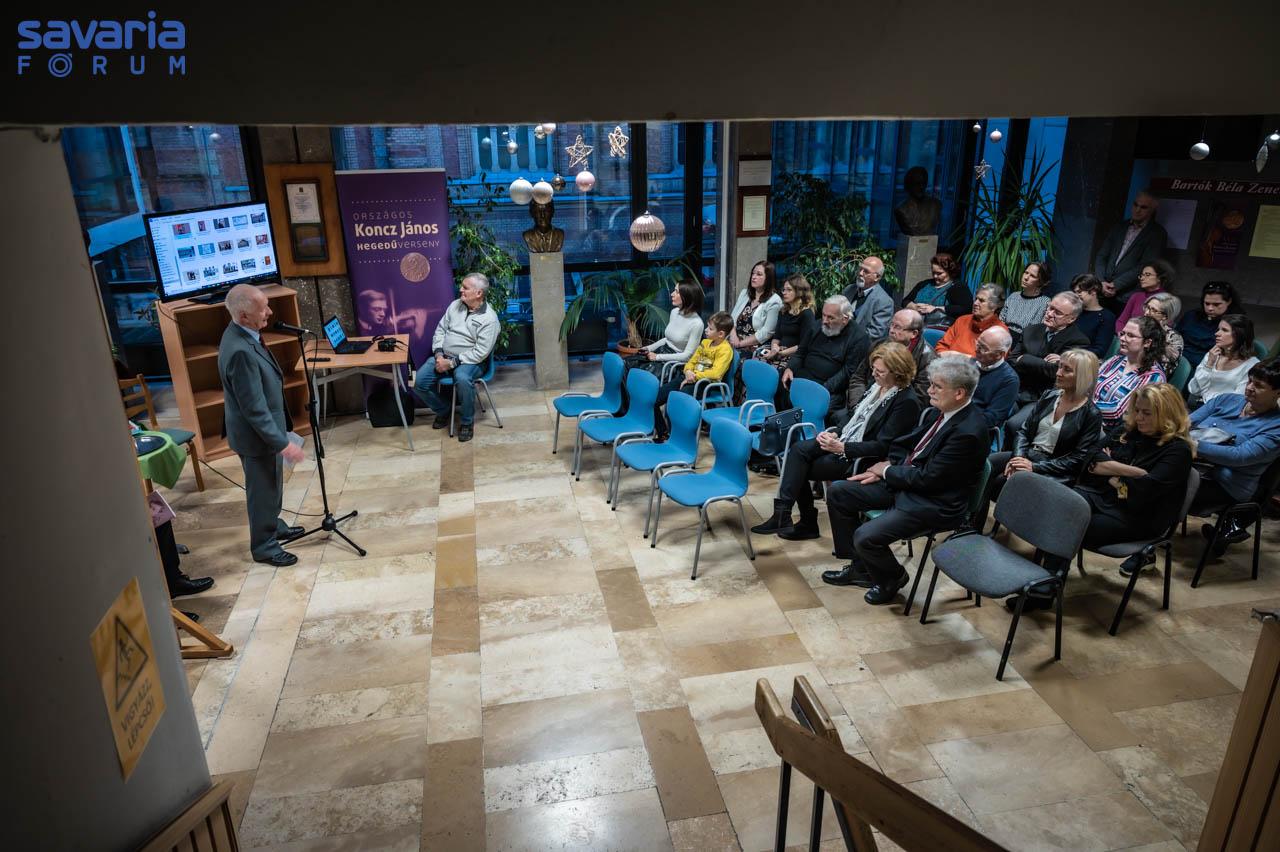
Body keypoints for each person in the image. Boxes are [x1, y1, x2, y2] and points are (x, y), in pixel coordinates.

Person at [822, 356, 989, 603]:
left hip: (934, 502)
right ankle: (861, 567)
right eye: (931, 384)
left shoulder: (968, 432)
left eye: (937, 386)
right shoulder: (942, 412)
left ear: (959, 393)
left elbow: (930, 479)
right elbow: (906, 445)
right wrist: (887, 466)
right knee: (839, 492)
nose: (929, 390)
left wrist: (887, 472)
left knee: (866, 537)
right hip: (909, 483)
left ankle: (892, 578)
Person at [752, 342, 922, 541]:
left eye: (880, 371)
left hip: (863, 457)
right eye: (873, 369)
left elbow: (883, 446)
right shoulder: (877, 386)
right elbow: (852, 416)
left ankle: (802, 521)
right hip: (845, 440)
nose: (874, 374)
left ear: (898, 373)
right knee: (797, 450)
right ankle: (785, 515)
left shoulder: (906, 401)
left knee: (797, 467)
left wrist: (843, 447)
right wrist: (834, 433)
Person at [217, 283, 305, 567]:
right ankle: (264, 547)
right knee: (262, 492)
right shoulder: (240, 351)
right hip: (256, 438)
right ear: (243, 315)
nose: (269, 312)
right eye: (263, 309)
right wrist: (283, 444)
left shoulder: (241, 333)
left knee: (272, 485)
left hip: (263, 433)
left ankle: (273, 525)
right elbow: (254, 409)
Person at [1077, 383, 1195, 577]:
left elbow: (1145, 491)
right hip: (1106, 498)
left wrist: (1109, 470)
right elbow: (1091, 456)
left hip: (1137, 518)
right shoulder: (1129, 431)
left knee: (1072, 525)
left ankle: (1051, 579)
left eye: (1147, 413)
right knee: (1064, 505)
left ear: (1167, 415)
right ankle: (1050, 577)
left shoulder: (1178, 450)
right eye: (1137, 410)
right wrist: (1135, 472)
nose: (1139, 417)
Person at [979, 350, 1103, 530]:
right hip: (1028, 455)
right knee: (988, 465)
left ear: (1083, 376)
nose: (1058, 373)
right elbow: (1024, 431)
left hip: (1054, 467)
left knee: (1005, 481)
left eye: (1067, 370)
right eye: (1059, 366)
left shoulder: (1091, 414)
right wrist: (1018, 457)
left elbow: (1078, 459)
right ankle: (972, 525)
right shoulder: (1049, 395)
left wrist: (1034, 467)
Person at [1189, 361, 1280, 548]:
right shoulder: (1226, 400)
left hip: (1226, 485)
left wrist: (1195, 445)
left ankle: (1146, 541)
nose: (1250, 387)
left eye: (1259, 385)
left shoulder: (1276, 426)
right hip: (1195, 468)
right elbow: (1185, 423)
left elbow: (1239, 456)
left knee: (1164, 484)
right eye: (1250, 381)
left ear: (1277, 393)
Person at [413, 273, 500, 443]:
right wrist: (439, 354)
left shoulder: (489, 319)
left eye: (465, 287)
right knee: (419, 383)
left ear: (478, 293)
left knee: (462, 378)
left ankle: (466, 423)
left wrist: (452, 363)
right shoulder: (455, 305)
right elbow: (440, 330)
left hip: (471, 361)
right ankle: (444, 410)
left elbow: (481, 352)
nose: (460, 289)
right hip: (444, 356)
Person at [779, 295, 870, 411]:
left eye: (831, 318)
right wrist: (790, 368)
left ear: (845, 319)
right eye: (823, 315)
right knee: (778, 382)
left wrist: (821, 389)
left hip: (828, 386)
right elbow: (801, 352)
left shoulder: (859, 338)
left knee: (814, 405)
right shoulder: (817, 325)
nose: (825, 321)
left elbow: (847, 373)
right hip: (802, 376)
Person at [655, 311, 735, 436]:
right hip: (688, 377)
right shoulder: (705, 343)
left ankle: (675, 437)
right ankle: (664, 433)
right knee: (655, 397)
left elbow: (716, 373)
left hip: (705, 384)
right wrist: (688, 371)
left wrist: (694, 376)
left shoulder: (725, 350)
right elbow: (691, 361)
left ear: (720, 334)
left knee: (676, 402)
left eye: (710, 329)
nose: (706, 330)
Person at [1093, 190, 1169, 308]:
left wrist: (1116, 285)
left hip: (1127, 295)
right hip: (1102, 289)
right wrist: (1101, 281)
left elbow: (1145, 265)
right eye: (1135, 205)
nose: (1137, 210)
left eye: (1143, 207)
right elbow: (1102, 256)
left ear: (1152, 210)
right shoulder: (1119, 227)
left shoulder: (1157, 233)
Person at [844, 308, 935, 407]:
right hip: (865, 401)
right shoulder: (879, 345)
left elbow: (919, 400)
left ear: (914, 333)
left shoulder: (928, 359)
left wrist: (880, 410)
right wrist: (858, 405)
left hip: (895, 409)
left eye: (897, 327)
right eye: (891, 324)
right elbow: (858, 378)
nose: (891, 330)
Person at [1009, 292, 1090, 401]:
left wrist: (1024, 359)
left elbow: (1056, 371)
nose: (1050, 314)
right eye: (1050, 308)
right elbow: (1011, 360)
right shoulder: (1030, 330)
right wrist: (1045, 364)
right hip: (1016, 388)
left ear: (1071, 319)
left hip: (1043, 397)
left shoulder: (1079, 341)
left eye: (1058, 313)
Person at [1094, 316, 1166, 434]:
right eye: (1122, 334)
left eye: (1131, 336)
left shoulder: (1153, 377)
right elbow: (1090, 384)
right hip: (1090, 419)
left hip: (1113, 432)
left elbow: (1119, 412)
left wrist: (1083, 406)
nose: (1122, 339)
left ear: (1147, 342)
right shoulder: (1116, 360)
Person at [1188, 314, 1259, 405]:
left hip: (1222, 410)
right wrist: (1208, 365)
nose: (1217, 334)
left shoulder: (1252, 365)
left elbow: (1235, 401)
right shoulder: (1212, 355)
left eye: (1224, 330)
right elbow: (1193, 389)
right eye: (1218, 329)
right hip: (1198, 404)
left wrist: (1205, 395)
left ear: (1239, 335)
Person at [639, 279, 704, 373]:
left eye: (677, 292)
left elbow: (687, 356)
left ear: (687, 297)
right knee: (629, 363)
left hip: (674, 363)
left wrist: (657, 357)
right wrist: (648, 348)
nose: (672, 294)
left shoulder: (697, 324)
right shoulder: (674, 312)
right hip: (663, 352)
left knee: (640, 373)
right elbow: (667, 340)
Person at [755, 273, 815, 371]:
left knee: (768, 371)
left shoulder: (807, 314)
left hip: (794, 356)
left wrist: (781, 353)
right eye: (784, 289)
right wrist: (774, 348)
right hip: (779, 351)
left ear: (799, 292)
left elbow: (803, 346)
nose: (784, 292)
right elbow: (777, 337)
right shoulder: (783, 311)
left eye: (789, 290)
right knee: (755, 363)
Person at [934, 284, 1008, 357]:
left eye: (981, 301)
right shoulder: (962, 320)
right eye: (976, 299)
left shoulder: (1001, 332)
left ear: (994, 306)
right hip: (947, 362)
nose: (975, 303)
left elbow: (994, 361)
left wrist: (964, 359)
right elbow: (941, 346)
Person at [1178, 281, 1239, 367]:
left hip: (1208, 366)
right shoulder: (1191, 316)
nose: (1210, 308)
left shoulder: (1235, 324)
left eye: (1216, 304)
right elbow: (1176, 337)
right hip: (1179, 360)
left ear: (1229, 301)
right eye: (1207, 303)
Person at [729, 261, 783, 356]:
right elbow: (732, 319)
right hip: (734, 341)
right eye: (753, 273)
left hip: (755, 346)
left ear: (768, 278)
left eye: (759, 274)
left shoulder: (774, 301)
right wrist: (733, 337)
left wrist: (740, 344)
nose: (753, 277)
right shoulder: (745, 293)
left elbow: (767, 332)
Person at [903, 253, 969, 329]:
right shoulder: (924, 284)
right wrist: (915, 307)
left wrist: (935, 309)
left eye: (939, 273)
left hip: (939, 329)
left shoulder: (958, 287)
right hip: (915, 327)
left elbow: (965, 309)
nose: (935, 276)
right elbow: (905, 301)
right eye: (933, 272)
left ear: (950, 271)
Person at [973, 326, 1020, 430]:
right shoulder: (970, 363)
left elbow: (991, 419)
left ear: (999, 354)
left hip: (974, 429)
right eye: (977, 343)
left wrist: (959, 420)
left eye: (983, 348)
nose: (976, 350)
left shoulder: (1009, 380)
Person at [841, 256, 894, 339]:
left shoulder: (884, 301)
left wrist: (847, 337)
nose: (860, 273)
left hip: (860, 344)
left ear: (877, 277)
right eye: (860, 269)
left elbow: (875, 333)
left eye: (866, 271)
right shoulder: (849, 289)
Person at [1114, 259, 1173, 333]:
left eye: (1147, 275)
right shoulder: (1136, 296)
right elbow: (1121, 321)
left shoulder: (1167, 300)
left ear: (1159, 278)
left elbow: (1166, 328)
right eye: (1141, 275)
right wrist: (1122, 335)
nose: (1142, 278)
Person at [999, 262, 1052, 339]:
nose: (1026, 277)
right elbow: (1001, 320)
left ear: (1041, 282)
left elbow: (1042, 331)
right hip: (1004, 336)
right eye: (1026, 272)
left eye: (1033, 276)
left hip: (1026, 341)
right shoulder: (1013, 296)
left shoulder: (1046, 303)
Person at [1070, 274, 1117, 358]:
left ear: (1093, 291)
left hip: (1083, 359)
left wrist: (1071, 355)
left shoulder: (1106, 317)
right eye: (1075, 292)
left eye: (1079, 292)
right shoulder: (1074, 311)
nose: (1076, 296)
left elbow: (1100, 350)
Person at [893, 166, 942, 236]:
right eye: (917, 183)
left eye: (924, 183)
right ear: (909, 185)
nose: (921, 187)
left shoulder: (936, 205)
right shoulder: (901, 209)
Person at [1142, 292, 1184, 373]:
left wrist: (1158, 335)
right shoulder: (1139, 325)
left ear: (1165, 316)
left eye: (1153, 310)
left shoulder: (1174, 338)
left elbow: (1164, 368)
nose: (1146, 312)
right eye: (1147, 307)